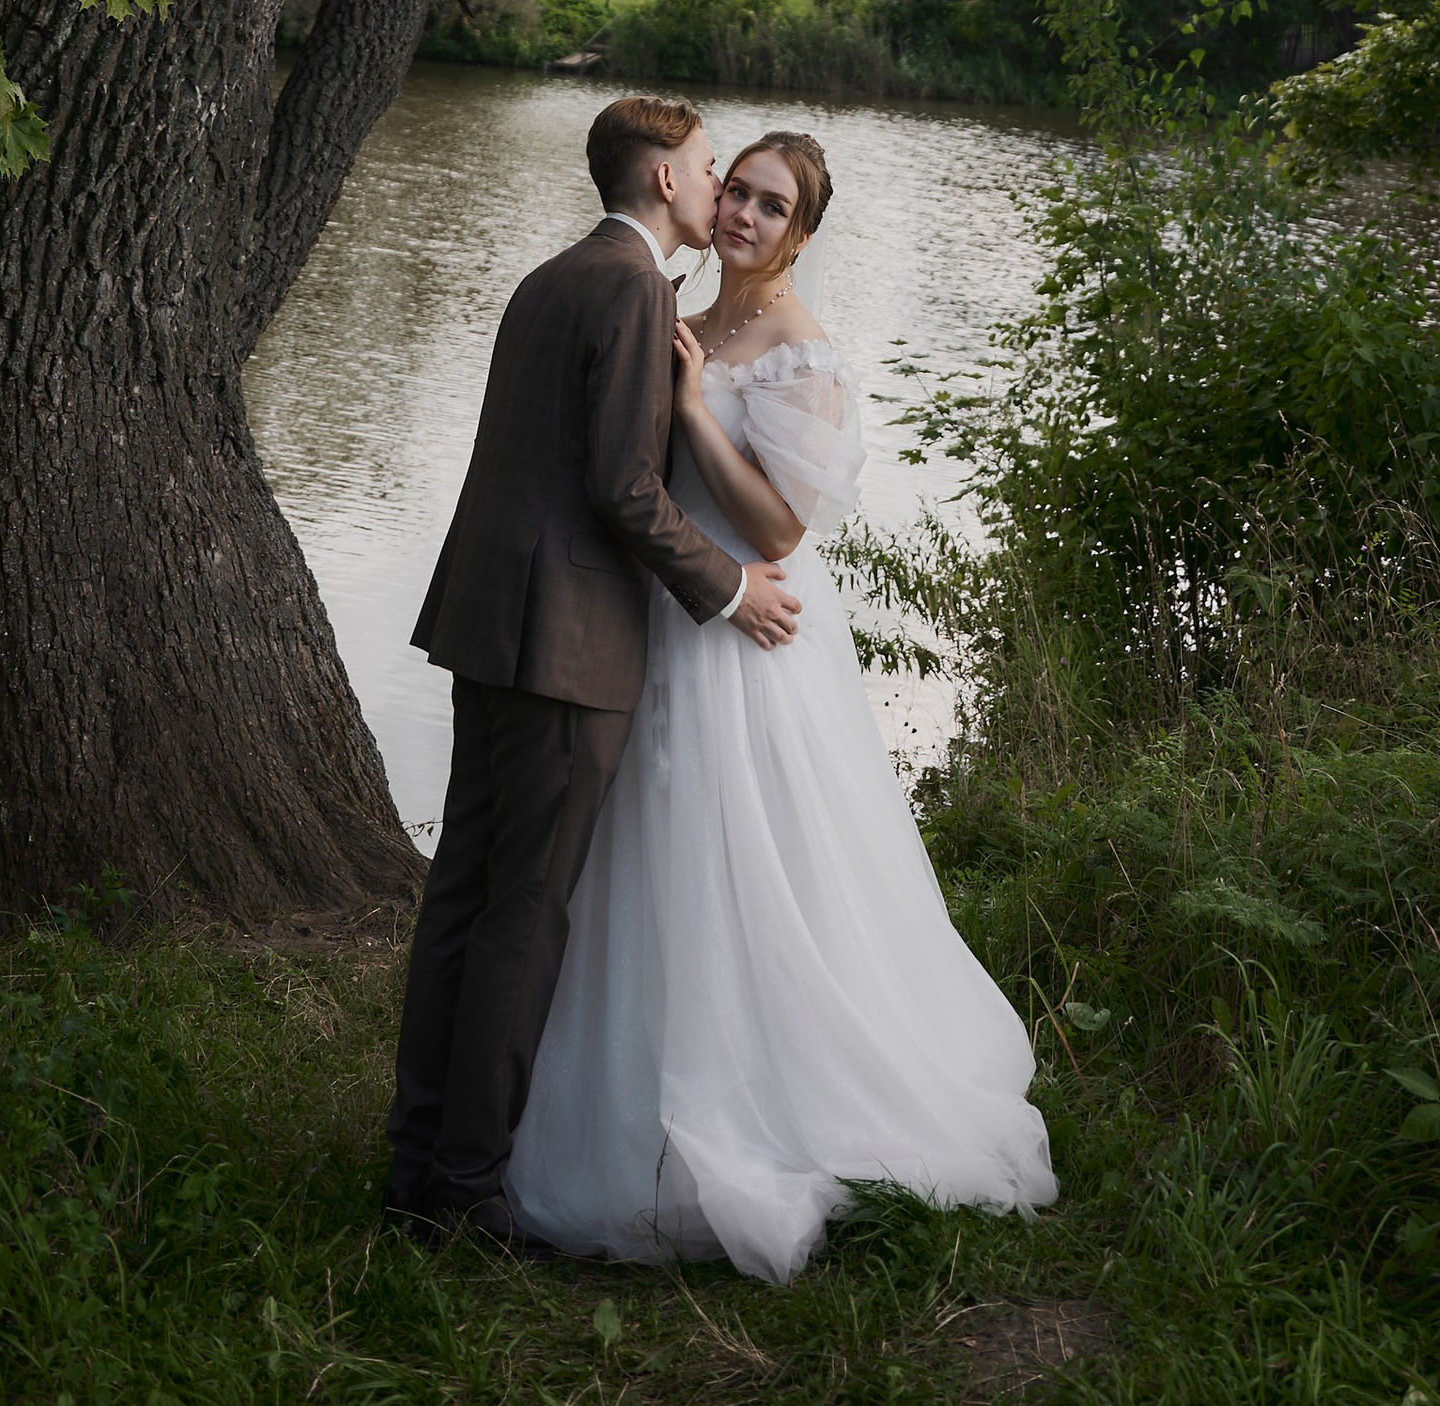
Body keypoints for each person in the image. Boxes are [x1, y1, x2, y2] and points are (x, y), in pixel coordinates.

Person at [506, 129, 1056, 1281]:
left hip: (747, 638)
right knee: (637, 859)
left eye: (772, 203)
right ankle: (613, 1102)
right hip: (656, 618)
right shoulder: (672, 314)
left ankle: (757, 1107)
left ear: (801, 232)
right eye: (737, 190)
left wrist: (699, 406)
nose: (746, 213)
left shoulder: (803, 355)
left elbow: (778, 530)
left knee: (736, 861)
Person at [386, 93, 802, 1247]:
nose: (723, 188)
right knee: (522, 914)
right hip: (565, 645)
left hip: (493, 625)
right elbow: (624, 486)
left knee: (462, 898)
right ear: (664, 178)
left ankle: (415, 1157)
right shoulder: (627, 287)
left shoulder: (556, 273)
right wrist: (728, 586)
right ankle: (466, 1190)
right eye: (714, 166)